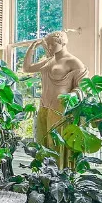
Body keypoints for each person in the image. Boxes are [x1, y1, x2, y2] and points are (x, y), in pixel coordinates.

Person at [22, 30, 87, 158]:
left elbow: (83, 86)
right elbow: (27, 68)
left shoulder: (73, 62)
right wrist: (32, 48)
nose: (50, 47)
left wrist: (72, 95)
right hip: (44, 106)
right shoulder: (49, 61)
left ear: (62, 43)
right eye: (48, 44)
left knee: (56, 143)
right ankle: (44, 170)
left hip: (60, 107)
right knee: (42, 142)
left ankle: (60, 169)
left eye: (53, 44)